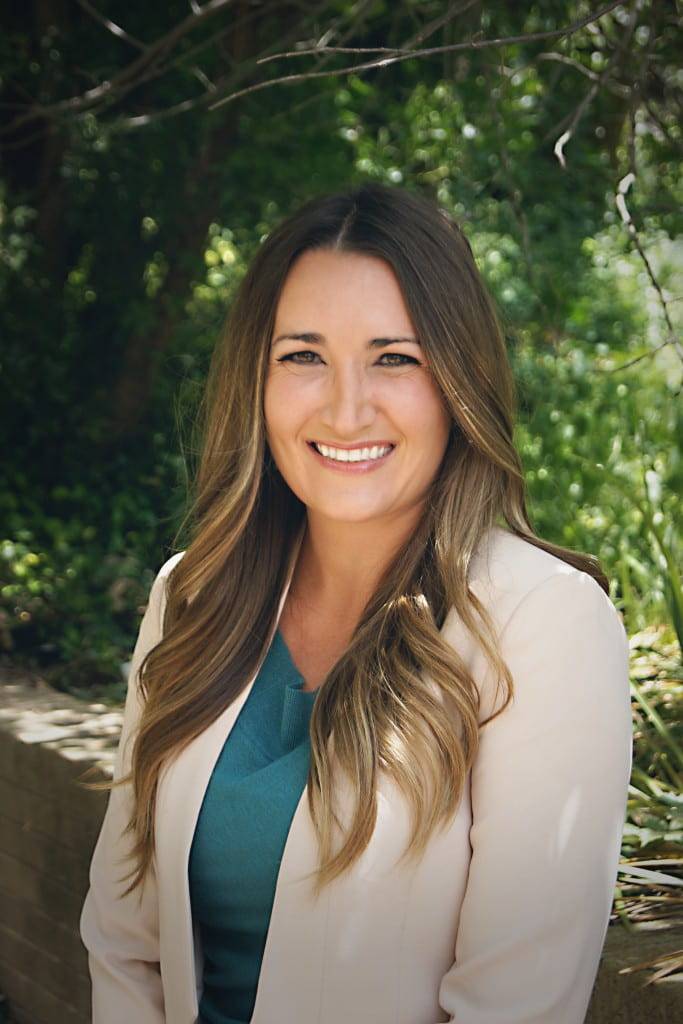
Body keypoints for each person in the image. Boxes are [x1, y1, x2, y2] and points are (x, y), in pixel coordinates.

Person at [79, 182, 633, 1024]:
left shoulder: (543, 623)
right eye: (303, 355)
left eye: (394, 358)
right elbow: (123, 937)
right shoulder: (192, 593)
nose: (345, 408)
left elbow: (515, 1005)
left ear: (458, 381)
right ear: (256, 379)